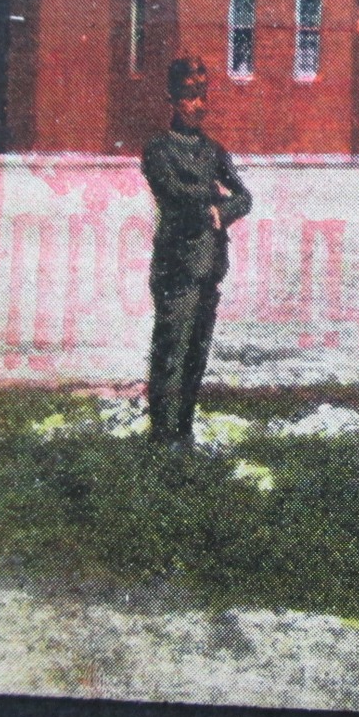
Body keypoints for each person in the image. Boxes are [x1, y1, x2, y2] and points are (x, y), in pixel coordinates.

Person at [142, 55, 253, 447]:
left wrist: (220, 210)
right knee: (171, 349)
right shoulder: (158, 150)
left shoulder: (214, 151)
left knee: (197, 353)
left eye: (202, 95)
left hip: (209, 267)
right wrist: (209, 201)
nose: (198, 105)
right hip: (176, 269)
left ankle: (183, 431)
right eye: (189, 96)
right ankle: (162, 433)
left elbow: (243, 196)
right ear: (172, 99)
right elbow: (174, 193)